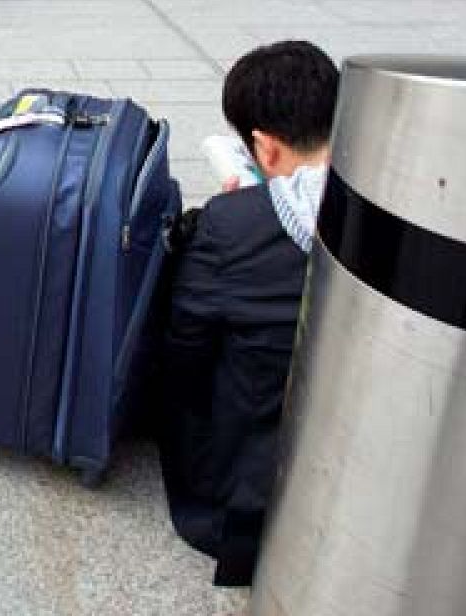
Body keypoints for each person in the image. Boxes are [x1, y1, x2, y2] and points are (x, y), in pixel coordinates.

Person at [154, 40, 340, 588]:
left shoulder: (232, 224)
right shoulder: (397, 204)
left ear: (264, 146)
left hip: (250, 489)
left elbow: (186, 349)